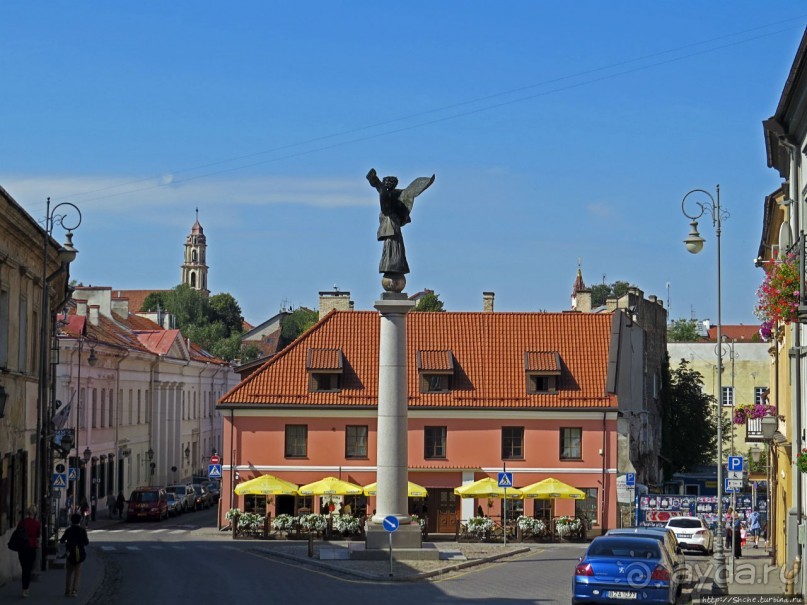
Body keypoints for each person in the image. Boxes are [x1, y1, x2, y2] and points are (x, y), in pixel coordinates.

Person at [366, 168, 435, 283]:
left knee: (395, 247)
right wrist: (373, 179)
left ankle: (394, 266)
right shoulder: (385, 193)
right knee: (391, 246)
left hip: (393, 225)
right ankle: (391, 266)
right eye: (386, 183)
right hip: (390, 226)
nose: (387, 185)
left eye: (389, 183)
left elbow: (407, 194)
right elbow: (380, 189)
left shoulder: (398, 195)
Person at [60, 513, 89, 598]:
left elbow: (62, 540)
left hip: (70, 554)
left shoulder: (68, 530)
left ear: (71, 521)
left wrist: (67, 543)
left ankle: (67, 590)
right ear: (79, 521)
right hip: (79, 554)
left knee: (69, 573)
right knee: (77, 573)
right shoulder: (82, 530)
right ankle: (74, 590)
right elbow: (86, 542)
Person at [17, 506, 41, 598]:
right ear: (35, 513)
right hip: (31, 547)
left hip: (22, 547)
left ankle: (24, 588)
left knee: (24, 568)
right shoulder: (36, 523)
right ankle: (26, 589)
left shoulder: (22, 522)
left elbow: (18, 533)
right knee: (28, 569)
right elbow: (38, 536)